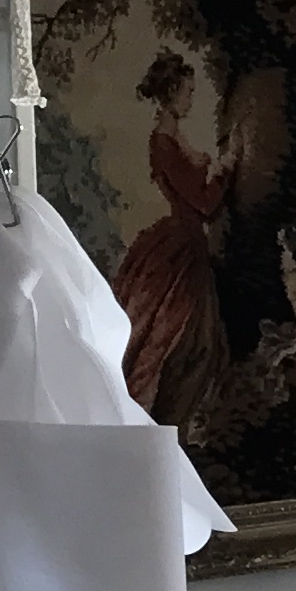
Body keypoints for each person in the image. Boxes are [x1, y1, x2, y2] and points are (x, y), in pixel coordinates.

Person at [113, 49, 233, 422]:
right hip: (180, 249)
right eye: (187, 92)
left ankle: (177, 425)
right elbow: (205, 203)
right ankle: (158, 422)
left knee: (201, 343)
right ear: (171, 93)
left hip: (189, 243)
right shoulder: (164, 144)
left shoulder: (174, 138)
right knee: (176, 340)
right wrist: (226, 169)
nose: (191, 99)